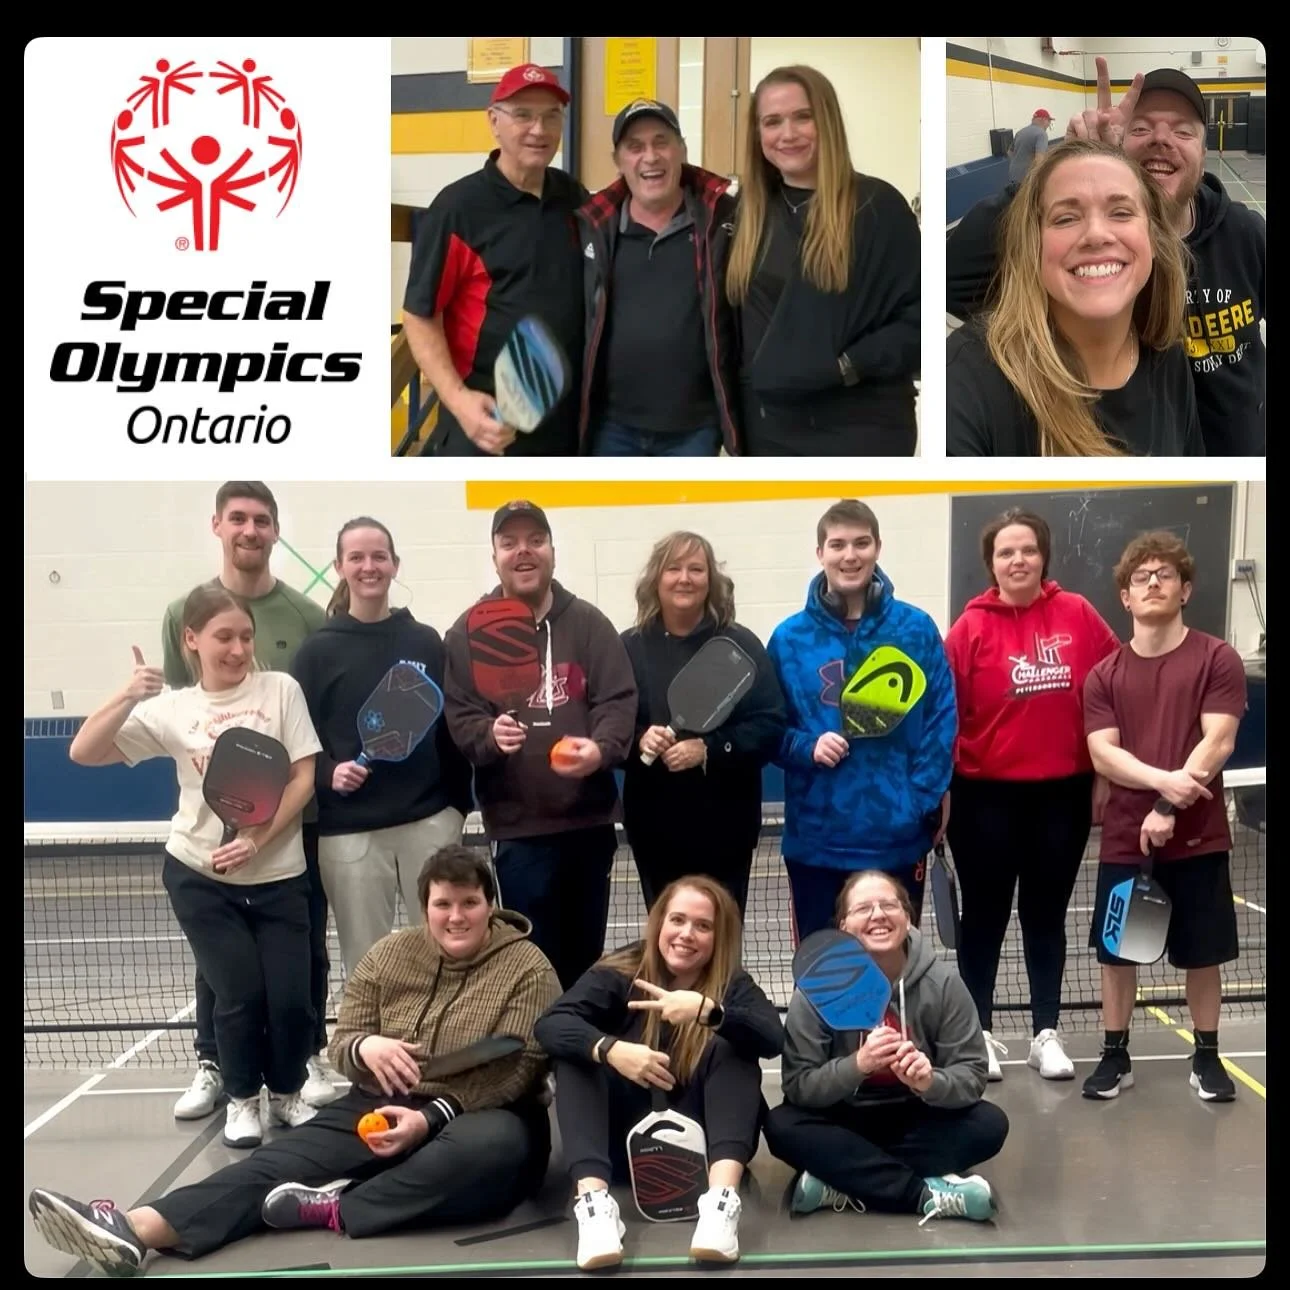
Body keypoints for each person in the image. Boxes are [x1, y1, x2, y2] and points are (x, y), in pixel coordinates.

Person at [28, 847, 562, 1276]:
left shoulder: (526, 966)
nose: (456, 916)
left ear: (490, 904)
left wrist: (430, 1118)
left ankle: (335, 1203)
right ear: (424, 907)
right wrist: (364, 1049)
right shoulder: (390, 955)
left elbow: (520, 1065)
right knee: (273, 1163)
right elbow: (343, 1041)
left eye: (468, 903)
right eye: (442, 904)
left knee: (494, 1157)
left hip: (480, 1113)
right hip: (380, 1101)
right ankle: (133, 1228)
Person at [71, 584, 322, 1149]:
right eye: (223, 637)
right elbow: (83, 751)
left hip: (278, 875)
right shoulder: (172, 709)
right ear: (192, 640)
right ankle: (240, 1100)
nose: (237, 649)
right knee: (236, 996)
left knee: (290, 1000)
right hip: (200, 876)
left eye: (246, 636)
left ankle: (286, 1094)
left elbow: (303, 778)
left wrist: (257, 841)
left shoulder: (280, 690)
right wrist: (128, 694)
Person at [947, 60, 1265, 456]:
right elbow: (949, 280)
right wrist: (1066, 172)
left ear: (1204, 151)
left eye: (1182, 130)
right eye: (1140, 127)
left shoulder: (1245, 235)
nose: (1161, 139)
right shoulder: (973, 382)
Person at [160, 481, 334, 1120]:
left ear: (275, 530)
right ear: (218, 526)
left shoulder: (308, 616)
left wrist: (268, 824)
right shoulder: (183, 608)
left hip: (291, 826)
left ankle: (298, 1065)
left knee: (297, 958)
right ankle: (217, 1066)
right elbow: (188, 718)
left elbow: (304, 730)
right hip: (213, 836)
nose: (250, 530)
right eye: (238, 518)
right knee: (226, 970)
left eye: (262, 519)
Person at [944, 508, 1120, 1081]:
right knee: (985, 917)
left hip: (1061, 798)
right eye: (1005, 552)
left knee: (1045, 915)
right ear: (991, 564)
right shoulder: (968, 630)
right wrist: (943, 795)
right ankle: (980, 1036)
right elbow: (946, 717)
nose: (1017, 560)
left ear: (1043, 557)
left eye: (1027, 550)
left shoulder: (1079, 616)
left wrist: (1104, 773)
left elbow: (1111, 692)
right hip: (983, 798)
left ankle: (1046, 1033)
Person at [534, 875, 783, 1270]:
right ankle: (596, 1206)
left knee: (736, 1043)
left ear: (719, 937)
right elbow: (550, 1025)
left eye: (703, 926)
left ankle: (720, 1206)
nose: (687, 934)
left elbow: (773, 1038)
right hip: (624, 1143)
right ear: (659, 924)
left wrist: (709, 1013)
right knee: (577, 1054)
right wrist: (612, 1050)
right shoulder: (619, 972)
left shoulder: (731, 984)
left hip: (704, 1145)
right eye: (678, 920)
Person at [443, 500, 638, 990]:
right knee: (531, 962)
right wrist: (487, 737)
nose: (523, 552)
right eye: (509, 543)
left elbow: (617, 700)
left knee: (584, 957)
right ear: (494, 557)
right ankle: (538, 1061)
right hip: (518, 825)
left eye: (535, 540)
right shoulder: (467, 632)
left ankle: (579, 1057)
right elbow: (462, 715)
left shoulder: (590, 625)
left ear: (552, 550)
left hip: (587, 822)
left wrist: (600, 748)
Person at [1082, 532, 1247, 1102]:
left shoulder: (1216, 658)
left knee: (1202, 954)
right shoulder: (1103, 675)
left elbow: (1218, 741)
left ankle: (1206, 1056)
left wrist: (1170, 806)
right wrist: (1162, 785)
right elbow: (1104, 753)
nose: (1152, 582)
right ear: (1125, 597)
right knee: (1117, 955)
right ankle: (1114, 1055)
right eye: (1140, 577)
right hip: (1129, 839)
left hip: (1197, 838)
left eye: (1165, 574)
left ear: (1186, 589)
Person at [765, 870, 1009, 1225]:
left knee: (989, 1124)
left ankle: (842, 1178)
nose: (878, 915)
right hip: (843, 1116)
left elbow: (971, 1076)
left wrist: (930, 1082)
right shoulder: (819, 988)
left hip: (917, 1116)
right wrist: (858, 1065)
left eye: (889, 905)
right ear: (844, 925)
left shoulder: (943, 984)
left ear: (907, 918)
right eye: (863, 908)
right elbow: (799, 1086)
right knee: (781, 1125)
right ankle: (923, 1195)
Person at [290, 517, 473, 979]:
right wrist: (329, 772)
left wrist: (455, 808)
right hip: (349, 836)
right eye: (357, 557)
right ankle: (369, 1051)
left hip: (427, 825)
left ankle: (443, 1048)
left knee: (443, 957)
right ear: (339, 566)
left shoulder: (426, 641)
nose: (368, 566)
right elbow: (298, 735)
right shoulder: (317, 651)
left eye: (378, 556)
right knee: (366, 965)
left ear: (394, 565)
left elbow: (449, 729)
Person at [767, 500, 956, 941]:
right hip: (816, 843)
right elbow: (767, 729)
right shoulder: (788, 639)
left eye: (860, 543)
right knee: (823, 969)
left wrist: (918, 802)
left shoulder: (915, 629)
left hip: (897, 839)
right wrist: (805, 747)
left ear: (877, 548)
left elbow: (941, 720)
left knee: (895, 966)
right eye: (837, 545)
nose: (849, 555)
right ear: (820, 554)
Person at [947, 139, 1202, 457]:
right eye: (1066, 218)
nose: (1096, 234)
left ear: (1154, 237)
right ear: (1034, 245)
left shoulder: (1169, 359)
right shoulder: (969, 376)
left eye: (1121, 213)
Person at [725, 65, 921, 456]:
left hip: (858, 426)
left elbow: (919, 320)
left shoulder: (876, 208)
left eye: (803, 117)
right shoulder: (744, 214)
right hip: (767, 429)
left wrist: (848, 365)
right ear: (757, 134)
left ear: (827, 121)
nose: (787, 134)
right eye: (772, 121)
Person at [401, 64, 587, 457]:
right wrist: (459, 401)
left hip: (566, 426)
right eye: (523, 115)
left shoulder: (573, 198)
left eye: (551, 116)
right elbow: (419, 315)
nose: (539, 130)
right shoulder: (458, 209)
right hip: (488, 426)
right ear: (494, 121)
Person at [620, 531, 786, 918]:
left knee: (721, 950)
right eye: (673, 568)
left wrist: (711, 749)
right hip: (654, 831)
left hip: (726, 831)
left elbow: (771, 724)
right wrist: (639, 740)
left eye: (696, 569)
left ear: (710, 580)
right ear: (655, 580)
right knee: (667, 943)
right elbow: (609, 726)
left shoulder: (740, 645)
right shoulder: (629, 648)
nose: (685, 578)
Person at [576, 98, 740, 457]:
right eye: (635, 147)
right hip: (612, 428)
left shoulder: (722, 223)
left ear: (681, 150)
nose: (650, 157)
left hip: (694, 430)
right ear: (618, 161)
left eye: (661, 142)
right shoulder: (595, 227)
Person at [1007, 109, 1052, 183]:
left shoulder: (1020, 132)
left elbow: (1009, 152)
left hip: (1013, 175)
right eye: (1049, 121)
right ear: (1043, 120)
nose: (1049, 124)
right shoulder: (1041, 134)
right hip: (1028, 178)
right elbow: (1039, 159)